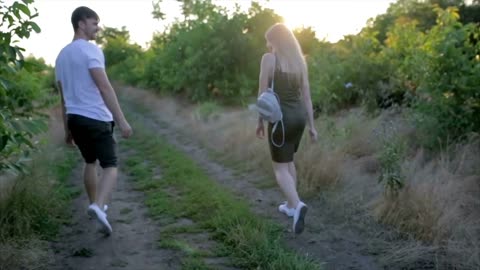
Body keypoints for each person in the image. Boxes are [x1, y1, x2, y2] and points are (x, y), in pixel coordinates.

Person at [55, 6, 133, 236]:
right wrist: (122, 121)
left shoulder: (61, 56)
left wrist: (67, 128)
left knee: (90, 162)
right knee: (110, 166)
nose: (97, 28)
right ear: (81, 24)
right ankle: (98, 206)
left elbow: (63, 98)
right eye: (94, 23)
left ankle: (95, 206)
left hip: (76, 119)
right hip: (96, 118)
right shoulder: (91, 51)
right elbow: (104, 87)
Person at [256, 23, 318, 234]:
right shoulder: (300, 62)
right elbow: (307, 97)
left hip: (280, 119)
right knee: (289, 160)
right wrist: (312, 126)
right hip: (299, 117)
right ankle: (291, 206)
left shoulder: (269, 59)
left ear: (277, 41)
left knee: (279, 168)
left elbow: (263, 95)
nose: (267, 44)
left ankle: (298, 205)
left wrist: (260, 122)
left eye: (269, 40)